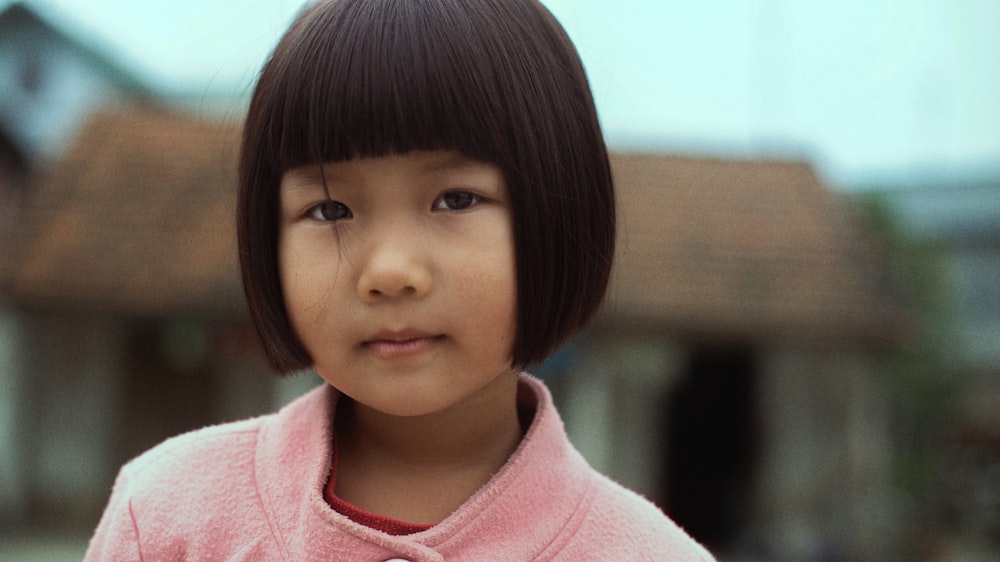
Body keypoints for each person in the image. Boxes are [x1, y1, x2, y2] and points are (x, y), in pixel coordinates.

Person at [85, 0, 716, 559]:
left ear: (559, 210)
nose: (388, 272)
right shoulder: (168, 521)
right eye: (330, 210)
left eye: (456, 200)